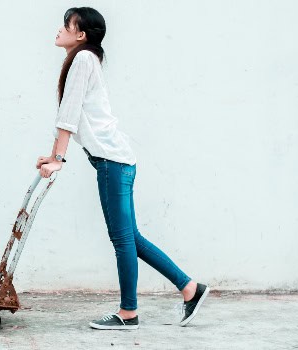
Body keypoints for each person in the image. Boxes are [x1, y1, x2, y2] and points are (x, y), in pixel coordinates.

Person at [35, 7, 209, 330]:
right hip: (119, 159)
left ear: (81, 35)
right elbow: (75, 114)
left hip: (112, 163)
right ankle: (190, 289)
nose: (59, 29)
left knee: (123, 240)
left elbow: (70, 113)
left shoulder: (83, 59)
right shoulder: (85, 59)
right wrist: (53, 154)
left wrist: (58, 158)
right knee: (132, 238)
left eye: (66, 25)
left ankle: (129, 312)